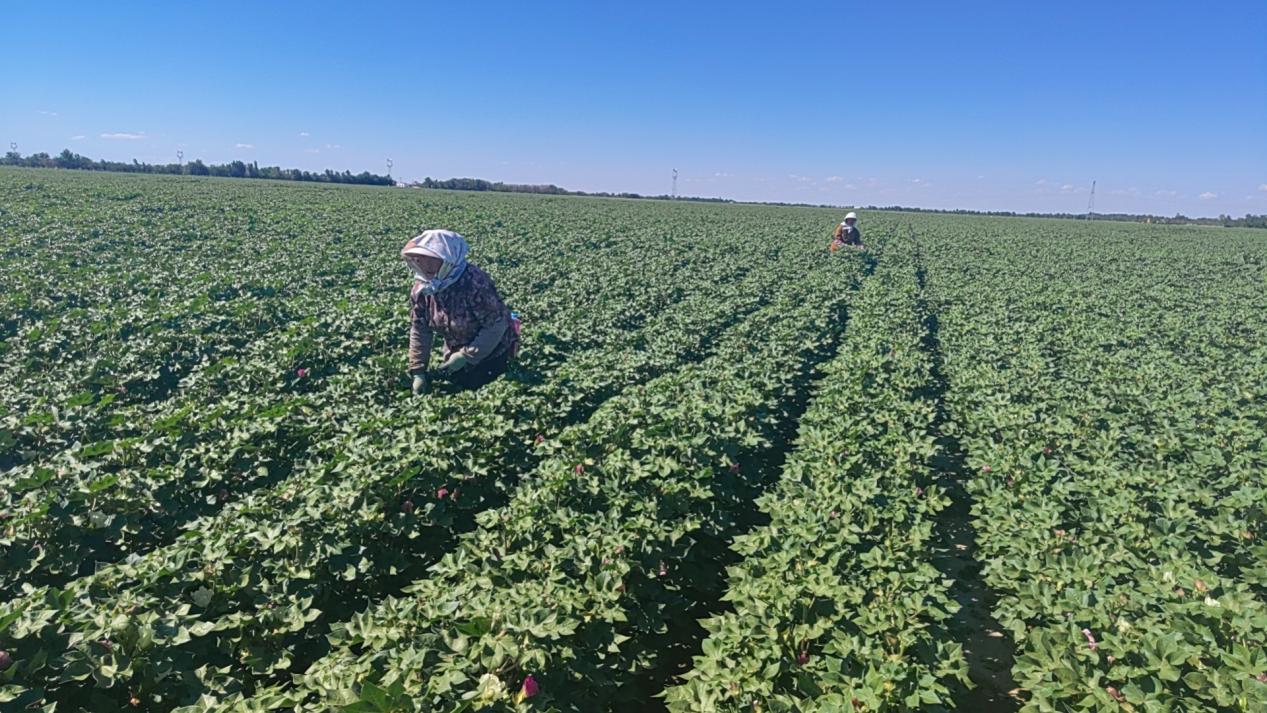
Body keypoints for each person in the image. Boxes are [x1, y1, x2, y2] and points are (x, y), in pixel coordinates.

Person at [401, 229, 519, 396]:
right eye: (421, 259)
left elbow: (496, 326)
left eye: (432, 259)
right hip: (454, 349)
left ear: (448, 259)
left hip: (493, 351)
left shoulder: (474, 283)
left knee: (480, 390)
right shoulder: (423, 289)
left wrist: (466, 356)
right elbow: (420, 328)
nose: (425, 265)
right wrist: (418, 370)